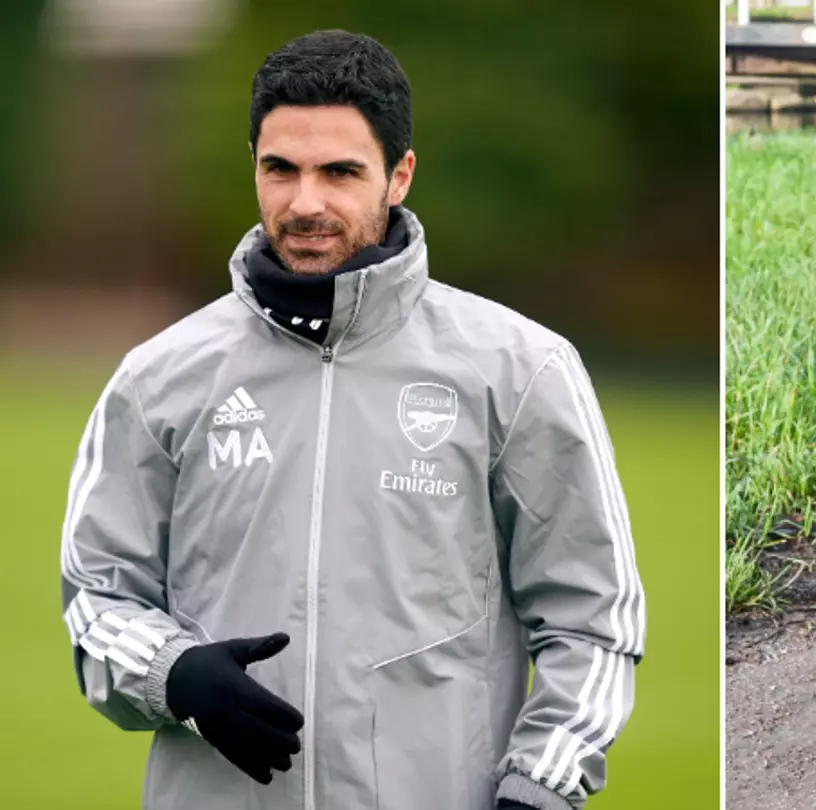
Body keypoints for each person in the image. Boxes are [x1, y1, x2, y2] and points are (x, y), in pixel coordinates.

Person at [57, 29, 645, 810]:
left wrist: (542, 783)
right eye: (281, 170)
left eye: (339, 172)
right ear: (255, 168)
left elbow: (593, 618)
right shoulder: (159, 377)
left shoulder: (520, 368)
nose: (306, 203)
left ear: (398, 175)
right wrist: (173, 672)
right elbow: (96, 598)